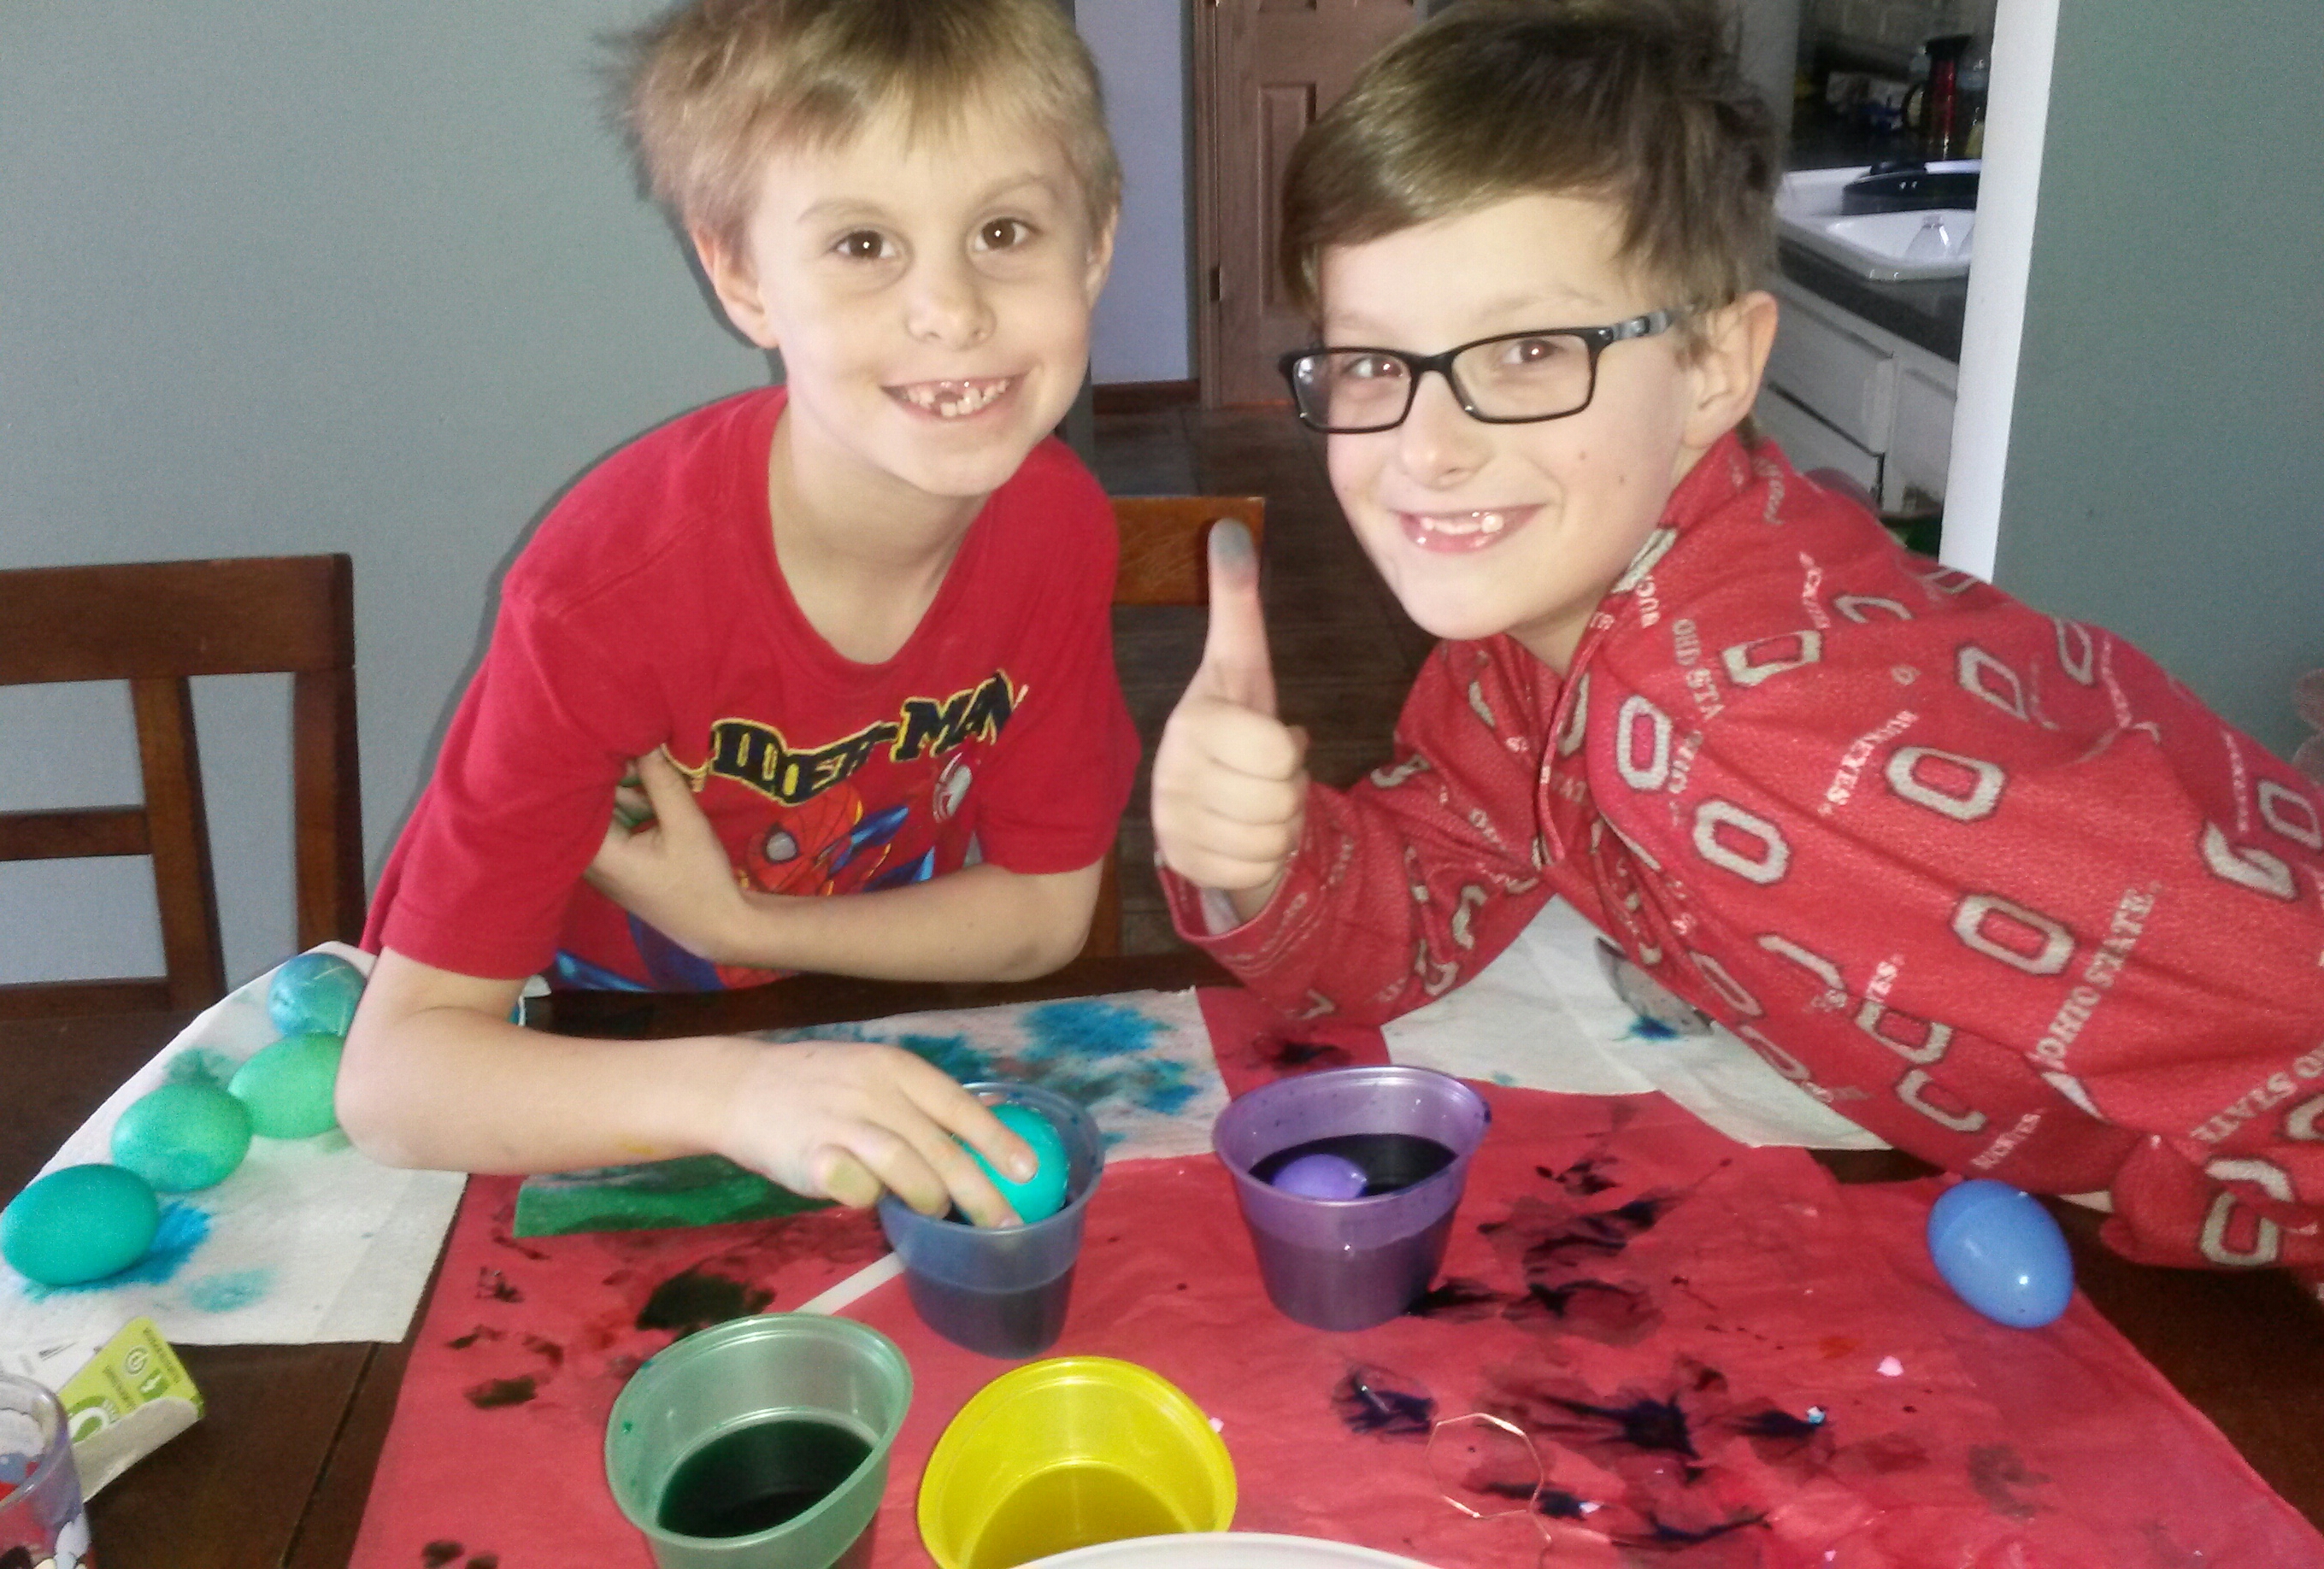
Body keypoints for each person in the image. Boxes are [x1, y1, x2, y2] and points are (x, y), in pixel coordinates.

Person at [1151, 0, 2324, 1282]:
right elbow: (1426, 899)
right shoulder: (1528, 644)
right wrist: (1263, 862)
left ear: (1715, 367)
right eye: (1372, 365)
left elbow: (2282, 985)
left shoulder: (1757, 738)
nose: (1427, 449)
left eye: (1530, 350)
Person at [339, 0, 1135, 1227]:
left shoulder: (1059, 527)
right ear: (742, 277)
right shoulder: (604, 594)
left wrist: (743, 920)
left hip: (863, 1038)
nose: (952, 310)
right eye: (864, 244)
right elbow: (396, 1083)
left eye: (1004, 231)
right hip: (598, 1059)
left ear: (1093, 248)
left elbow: (1042, 915)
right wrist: (740, 1093)